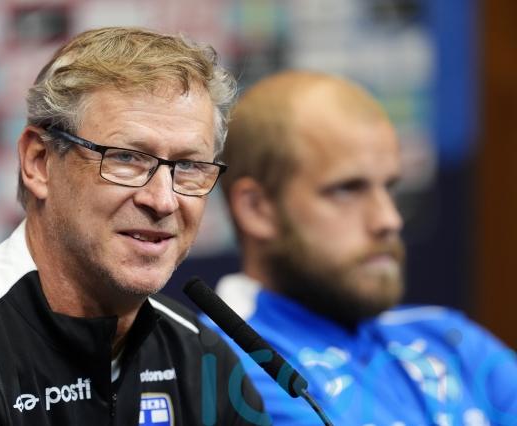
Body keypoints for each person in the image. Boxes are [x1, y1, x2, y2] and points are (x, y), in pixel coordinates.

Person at [0, 27, 264, 425]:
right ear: (39, 162)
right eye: (127, 158)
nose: (163, 200)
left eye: (189, 166)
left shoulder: (202, 357)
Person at [206, 70, 517, 425]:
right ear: (257, 209)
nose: (389, 219)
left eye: (390, 187)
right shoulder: (223, 362)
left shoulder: (450, 339)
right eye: (348, 189)